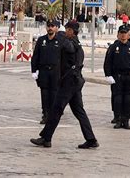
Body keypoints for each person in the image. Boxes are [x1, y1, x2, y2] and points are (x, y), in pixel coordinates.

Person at [31, 21, 99, 149]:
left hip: (69, 83)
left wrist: (60, 36)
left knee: (56, 109)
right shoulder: (73, 41)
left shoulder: (73, 43)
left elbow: (70, 48)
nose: (65, 31)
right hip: (74, 82)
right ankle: (91, 139)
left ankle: (46, 138)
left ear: (72, 31)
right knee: (79, 111)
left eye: (67, 29)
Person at [104, 25, 130, 130]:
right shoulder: (113, 47)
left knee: (128, 99)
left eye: (125, 33)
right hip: (117, 77)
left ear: (128, 34)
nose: (123, 35)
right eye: (121, 33)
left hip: (129, 77)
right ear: (118, 34)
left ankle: (126, 120)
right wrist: (108, 75)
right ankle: (118, 119)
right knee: (117, 99)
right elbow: (107, 62)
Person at [31, 20, 63, 124]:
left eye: (52, 26)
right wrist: (34, 71)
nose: (50, 28)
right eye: (48, 26)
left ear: (56, 28)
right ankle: (45, 114)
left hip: (55, 72)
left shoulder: (61, 40)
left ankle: (53, 116)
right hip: (43, 71)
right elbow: (35, 56)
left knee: (54, 94)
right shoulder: (41, 40)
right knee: (44, 94)